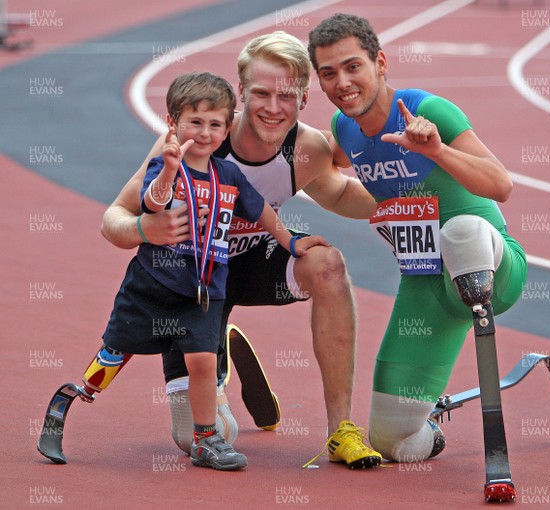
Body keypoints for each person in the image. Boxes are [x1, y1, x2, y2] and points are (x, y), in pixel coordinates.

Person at [99, 32, 382, 469]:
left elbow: (342, 195)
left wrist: (408, 188)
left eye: (285, 96)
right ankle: (219, 346)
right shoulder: (199, 141)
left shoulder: (306, 148)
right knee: (202, 437)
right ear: (240, 94)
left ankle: (341, 430)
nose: (273, 107)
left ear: (304, 98)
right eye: (261, 93)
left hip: (252, 266)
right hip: (189, 288)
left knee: (328, 264)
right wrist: (144, 226)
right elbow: (112, 220)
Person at [40, 71, 327, 471]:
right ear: (173, 123)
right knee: (114, 354)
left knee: (203, 362)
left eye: (215, 124)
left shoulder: (227, 175)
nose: (205, 133)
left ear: (228, 127)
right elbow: (153, 202)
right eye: (195, 122)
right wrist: (170, 172)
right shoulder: (165, 166)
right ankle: (74, 395)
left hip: (204, 291)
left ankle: (206, 439)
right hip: (152, 286)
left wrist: (290, 241)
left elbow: (258, 208)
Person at [306, 13, 527, 463]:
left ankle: (496, 451)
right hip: (426, 285)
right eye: (328, 73)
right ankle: (429, 424)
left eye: (353, 67)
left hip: (490, 265)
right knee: (393, 445)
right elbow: (339, 184)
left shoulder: (427, 110)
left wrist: (437, 150)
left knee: (460, 231)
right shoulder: (344, 128)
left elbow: (500, 184)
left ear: (380, 63)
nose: (343, 82)